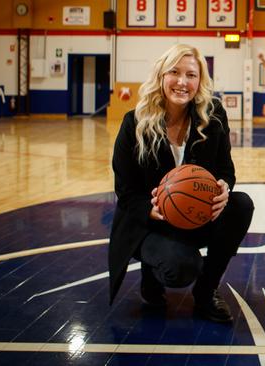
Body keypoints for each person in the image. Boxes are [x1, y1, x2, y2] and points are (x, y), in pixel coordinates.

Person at [108, 44, 254, 323]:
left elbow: (226, 169)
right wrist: (151, 210)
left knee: (241, 205)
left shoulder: (212, 116)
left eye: (191, 75)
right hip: (150, 223)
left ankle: (206, 291)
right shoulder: (134, 123)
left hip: (193, 216)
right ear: (161, 77)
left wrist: (224, 187)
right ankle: (152, 273)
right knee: (181, 268)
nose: (182, 82)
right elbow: (125, 191)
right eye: (174, 72)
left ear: (200, 82)